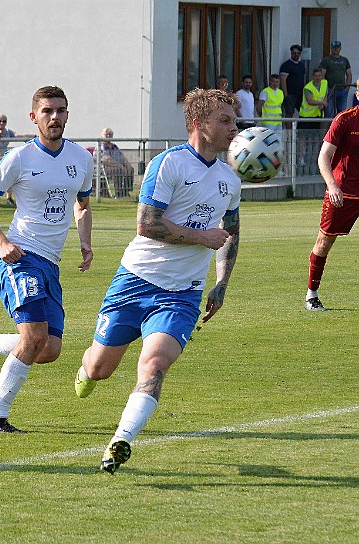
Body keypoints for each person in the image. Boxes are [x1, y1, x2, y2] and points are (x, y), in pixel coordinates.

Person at [74, 88, 241, 473]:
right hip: (135, 281)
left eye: (234, 120)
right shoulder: (168, 164)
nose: (234, 127)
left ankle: (121, 441)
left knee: (154, 366)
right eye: (225, 120)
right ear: (200, 124)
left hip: (182, 294)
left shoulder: (229, 180)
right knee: (99, 368)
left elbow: (231, 230)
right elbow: (147, 225)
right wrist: (202, 237)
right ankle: (86, 370)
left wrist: (221, 282)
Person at [0, 85, 93, 433]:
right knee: (34, 336)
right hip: (21, 256)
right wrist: (2, 243)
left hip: (51, 263)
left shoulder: (81, 159)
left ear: (67, 114)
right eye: (47, 111)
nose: (54, 117)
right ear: (34, 117)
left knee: (49, 348)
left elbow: (82, 205)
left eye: (61, 110)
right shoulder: (20, 158)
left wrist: (86, 242)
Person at [304, 80, 359, 312]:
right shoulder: (344, 120)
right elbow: (323, 157)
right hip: (343, 193)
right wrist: (332, 186)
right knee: (324, 242)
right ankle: (311, 295)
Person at [298, 69, 329, 169]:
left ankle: (314, 157)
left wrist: (323, 103)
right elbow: (310, 101)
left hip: (317, 115)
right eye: (316, 76)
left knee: (315, 137)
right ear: (313, 76)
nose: (318, 77)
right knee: (303, 138)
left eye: (319, 76)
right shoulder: (308, 87)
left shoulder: (324, 83)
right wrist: (322, 103)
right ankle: (301, 157)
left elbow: (325, 95)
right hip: (306, 116)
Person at [94, 127, 135, 197]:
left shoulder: (115, 147)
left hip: (117, 166)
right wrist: (120, 166)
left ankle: (125, 191)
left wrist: (127, 165)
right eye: (106, 134)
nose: (108, 136)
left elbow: (122, 157)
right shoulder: (100, 146)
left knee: (130, 169)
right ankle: (118, 192)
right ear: (102, 135)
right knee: (117, 170)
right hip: (102, 169)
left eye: (110, 134)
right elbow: (106, 159)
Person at [319, 40, 352, 117]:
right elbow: (322, 75)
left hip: (342, 90)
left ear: (340, 48)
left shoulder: (345, 60)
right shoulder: (326, 60)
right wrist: (325, 89)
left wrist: (347, 88)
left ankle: (341, 129)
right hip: (330, 90)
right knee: (328, 113)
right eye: (334, 48)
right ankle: (328, 129)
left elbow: (349, 74)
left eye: (337, 48)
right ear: (331, 48)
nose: (336, 49)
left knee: (342, 114)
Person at [280, 44, 307, 120]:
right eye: (294, 53)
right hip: (290, 94)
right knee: (289, 113)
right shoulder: (286, 65)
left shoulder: (301, 65)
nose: (296, 55)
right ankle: (288, 132)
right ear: (291, 53)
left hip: (300, 94)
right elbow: (283, 80)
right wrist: (286, 95)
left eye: (298, 53)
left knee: (302, 113)